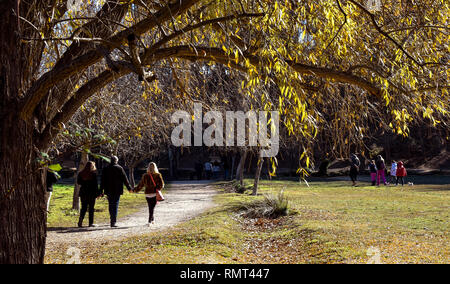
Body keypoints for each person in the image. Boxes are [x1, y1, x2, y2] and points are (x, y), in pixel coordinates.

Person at [100, 156, 132, 227]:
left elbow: (102, 181)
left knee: (111, 204)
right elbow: (125, 179)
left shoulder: (106, 169)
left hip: (108, 190)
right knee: (115, 205)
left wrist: (101, 191)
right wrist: (129, 188)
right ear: (116, 161)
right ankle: (113, 221)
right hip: (117, 190)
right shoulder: (119, 168)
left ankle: (112, 219)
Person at [77, 161, 101, 228]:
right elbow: (95, 185)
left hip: (83, 192)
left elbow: (78, 182)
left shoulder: (81, 173)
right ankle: (90, 223)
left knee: (83, 208)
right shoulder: (93, 174)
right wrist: (98, 193)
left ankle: (80, 221)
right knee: (91, 208)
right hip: (91, 193)